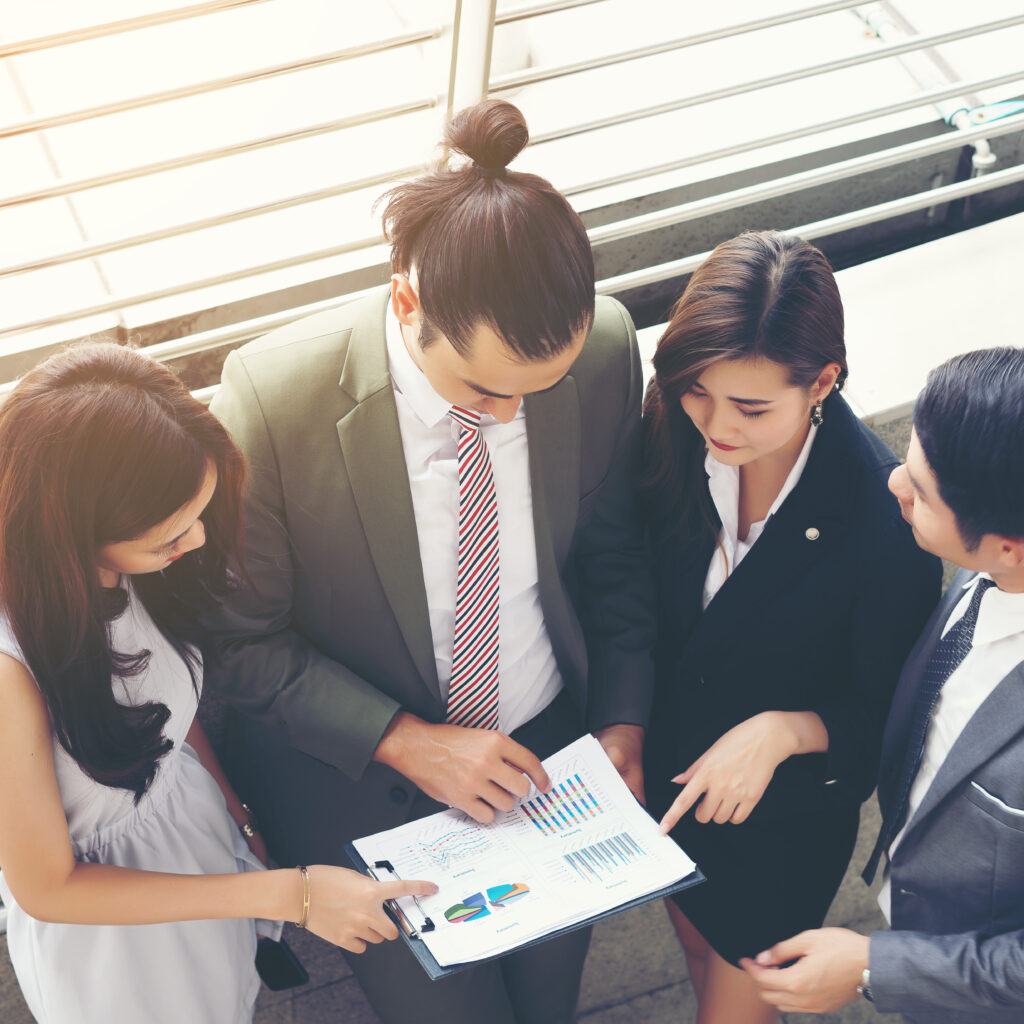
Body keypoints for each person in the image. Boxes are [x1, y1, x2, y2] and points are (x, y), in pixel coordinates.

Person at [203, 98, 654, 1024]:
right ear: (406, 301)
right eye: (485, 389)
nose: (508, 419)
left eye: (542, 388)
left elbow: (614, 566)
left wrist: (622, 727)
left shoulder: (606, 348)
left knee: (548, 1002)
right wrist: (410, 741)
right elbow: (240, 647)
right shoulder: (271, 401)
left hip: (549, 764)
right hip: (364, 785)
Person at [0, 343, 436, 1024]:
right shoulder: (10, 670)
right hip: (118, 947)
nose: (196, 542)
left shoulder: (114, 570)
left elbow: (164, 711)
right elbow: (48, 888)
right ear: (73, 529)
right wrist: (291, 896)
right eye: (168, 536)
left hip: (209, 870)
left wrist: (236, 813)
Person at [639, 231, 941, 1024]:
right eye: (700, 391)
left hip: (778, 828)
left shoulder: (885, 523)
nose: (716, 424)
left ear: (824, 382)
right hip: (667, 785)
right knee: (698, 956)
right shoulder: (672, 423)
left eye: (750, 406)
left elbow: (889, 724)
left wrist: (783, 730)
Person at [743, 346, 1024, 1024]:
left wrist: (872, 967)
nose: (894, 481)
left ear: (1009, 545)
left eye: (922, 492)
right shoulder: (984, 566)